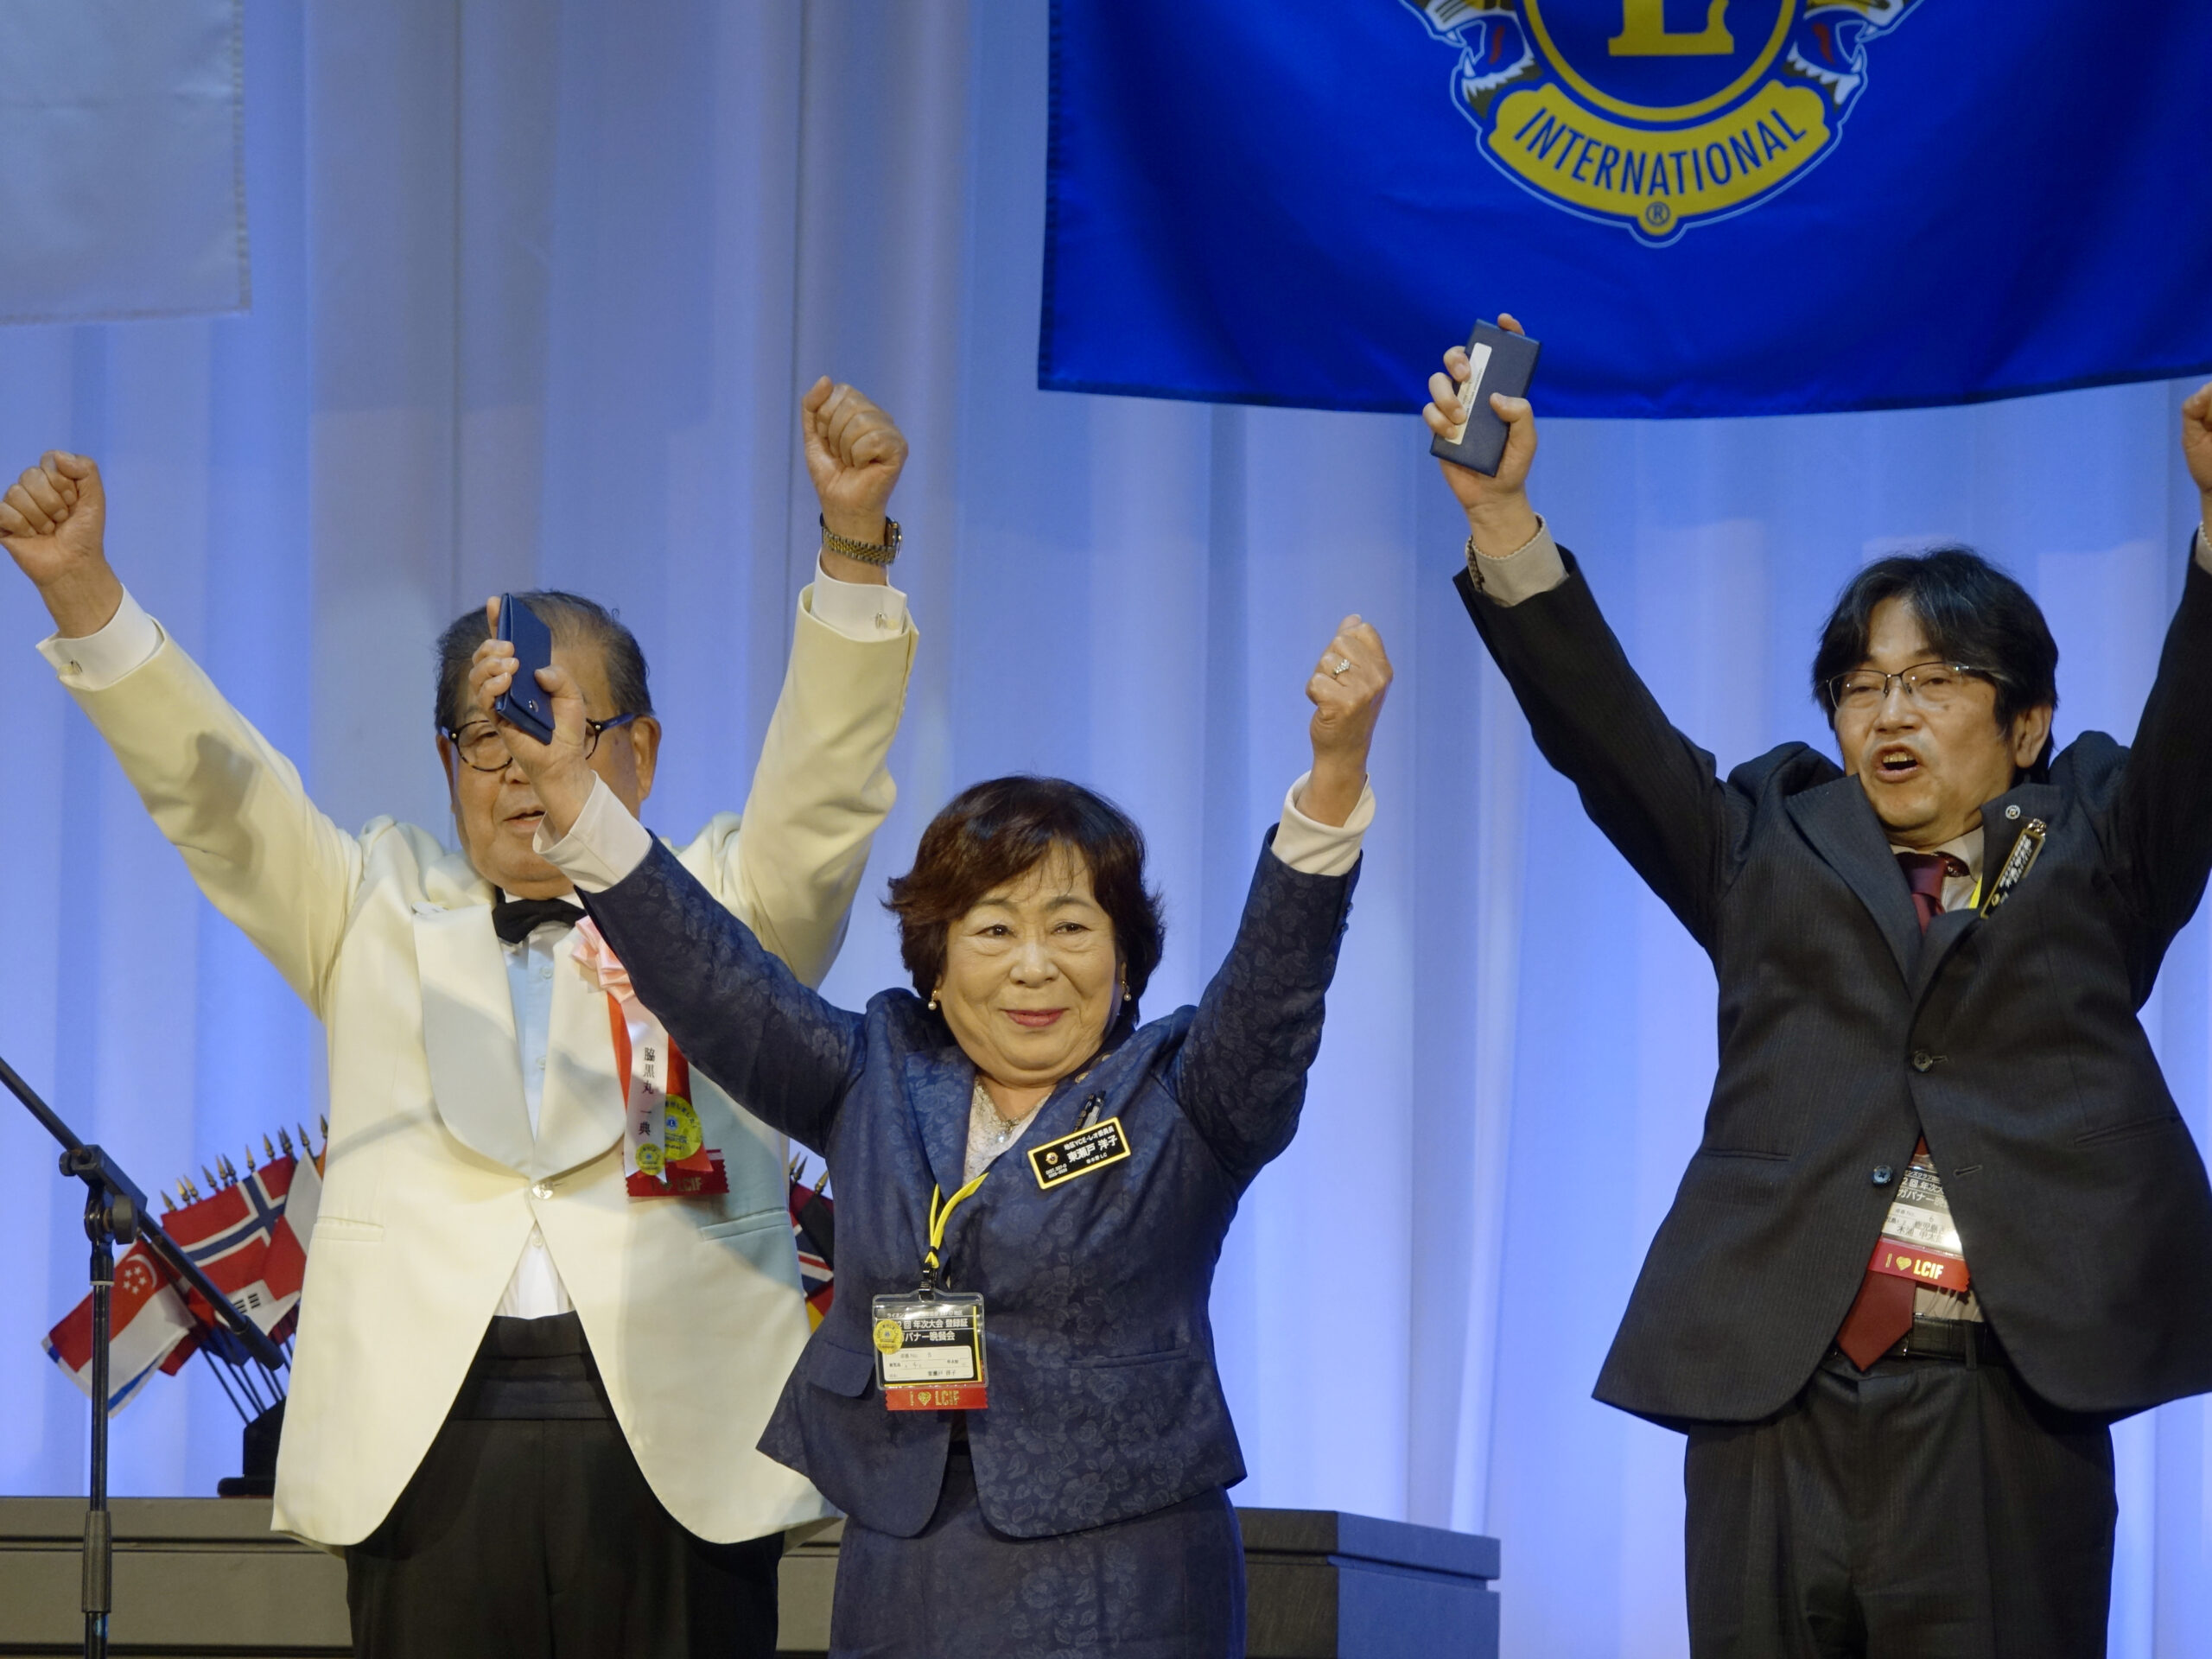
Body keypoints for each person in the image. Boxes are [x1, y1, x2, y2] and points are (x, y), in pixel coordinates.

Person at [0, 377, 919, 1659]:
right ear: (445, 764)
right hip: (427, 1442)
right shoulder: (368, 903)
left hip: (682, 1438)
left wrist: (856, 547)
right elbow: (219, 800)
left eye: (557, 730)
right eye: (491, 737)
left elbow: (824, 789)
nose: (524, 770)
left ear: (641, 753)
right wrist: (87, 596)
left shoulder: (729, 902)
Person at [1425, 327, 2212, 1656]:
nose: (1890, 714)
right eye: (1861, 687)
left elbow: (2199, 735)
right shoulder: (1766, 842)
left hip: (2002, 1404)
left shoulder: (2100, 841)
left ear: (2025, 722)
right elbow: (1607, 736)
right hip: (1773, 1397)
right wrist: (1501, 519)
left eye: (1935, 682)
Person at [466, 599, 1390, 1656]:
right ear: (937, 968)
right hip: (903, 1570)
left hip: (1125, 1578)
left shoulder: (1188, 1094)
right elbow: (713, 976)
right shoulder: (879, 1072)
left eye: (1072, 928)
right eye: (993, 930)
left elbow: (1277, 980)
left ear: (1125, 964)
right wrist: (573, 794)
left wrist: (1332, 781)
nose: (1033, 967)